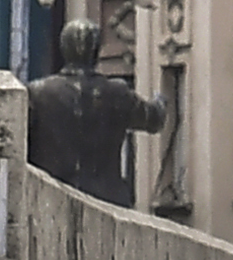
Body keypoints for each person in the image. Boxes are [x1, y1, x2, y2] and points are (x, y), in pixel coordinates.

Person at [24, 14, 167, 202]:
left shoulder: (38, 92)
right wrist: (161, 99)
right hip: (107, 198)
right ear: (97, 50)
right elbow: (154, 119)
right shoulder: (118, 92)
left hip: (50, 198)